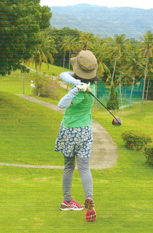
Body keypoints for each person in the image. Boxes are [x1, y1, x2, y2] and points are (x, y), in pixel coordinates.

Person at [55, 50, 98, 222]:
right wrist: (78, 83)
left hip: (69, 130)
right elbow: (63, 74)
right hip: (85, 130)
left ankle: (67, 201)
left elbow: (61, 104)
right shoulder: (92, 85)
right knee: (84, 167)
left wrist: (75, 90)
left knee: (68, 166)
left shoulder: (80, 93)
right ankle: (89, 198)